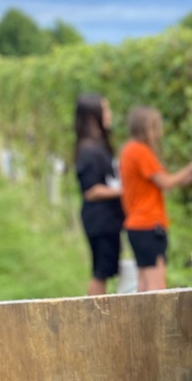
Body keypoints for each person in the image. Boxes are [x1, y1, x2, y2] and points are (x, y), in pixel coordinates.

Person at [119, 105, 192, 292]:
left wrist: (183, 178)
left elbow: (160, 182)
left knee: (143, 285)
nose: (159, 132)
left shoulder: (128, 150)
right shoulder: (140, 151)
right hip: (148, 224)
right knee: (156, 288)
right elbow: (165, 182)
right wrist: (190, 168)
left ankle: (139, 321)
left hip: (137, 225)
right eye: (155, 127)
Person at [74, 94, 124, 296]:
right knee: (100, 272)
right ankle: (93, 316)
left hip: (106, 219)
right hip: (100, 220)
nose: (109, 115)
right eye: (106, 110)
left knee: (103, 269)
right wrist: (124, 191)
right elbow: (91, 190)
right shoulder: (89, 150)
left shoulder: (96, 146)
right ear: (93, 116)